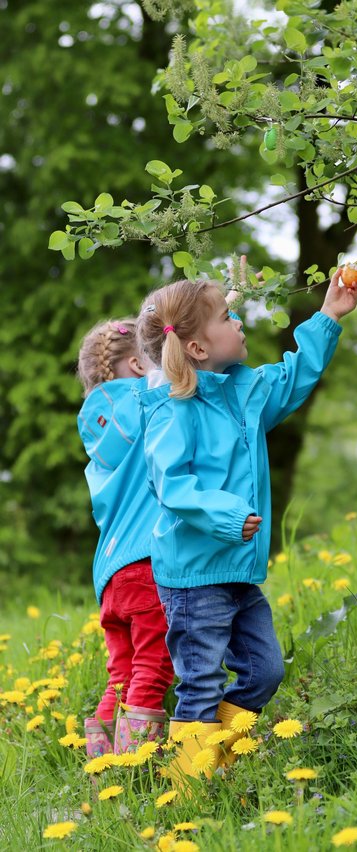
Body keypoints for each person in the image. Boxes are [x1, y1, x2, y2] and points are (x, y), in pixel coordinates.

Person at [134, 266, 357, 781]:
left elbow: (294, 376)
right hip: (194, 578)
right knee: (200, 683)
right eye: (226, 316)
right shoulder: (173, 412)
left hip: (236, 572)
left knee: (264, 672)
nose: (240, 322)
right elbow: (173, 488)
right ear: (197, 347)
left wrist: (328, 315)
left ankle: (219, 761)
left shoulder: (246, 391)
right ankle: (187, 792)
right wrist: (230, 515)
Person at [77, 318, 174, 757]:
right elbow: (178, 379)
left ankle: (100, 764)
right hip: (146, 562)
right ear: (137, 363)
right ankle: (136, 767)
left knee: (122, 673)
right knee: (154, 666)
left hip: (110, 573)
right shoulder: (147, 400)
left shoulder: (95, 425)